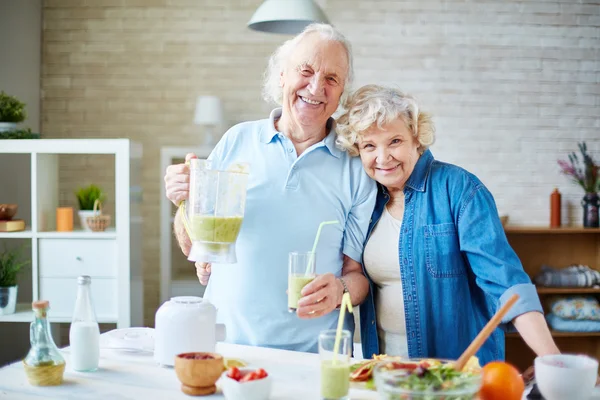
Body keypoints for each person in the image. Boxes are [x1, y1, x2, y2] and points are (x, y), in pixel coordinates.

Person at [163, 24, 376, 353]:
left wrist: (340, 292)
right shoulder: (237, 140)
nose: (316, 87)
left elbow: (357, 275)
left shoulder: (355, 166)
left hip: (315, 356)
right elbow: (195, 241)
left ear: (342, 91)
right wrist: (185, 200)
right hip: (226, 347)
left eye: (331, 79)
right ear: (281, 76)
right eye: (305, 71)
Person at [335, 84, 560, 365]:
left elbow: (507, 283)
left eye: (394, 141)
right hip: (384, 372)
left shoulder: (460, 189)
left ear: (416, 138)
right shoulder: (366, 202)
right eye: (369, 145)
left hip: (453, 376)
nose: (383, 158)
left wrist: (552, 360)